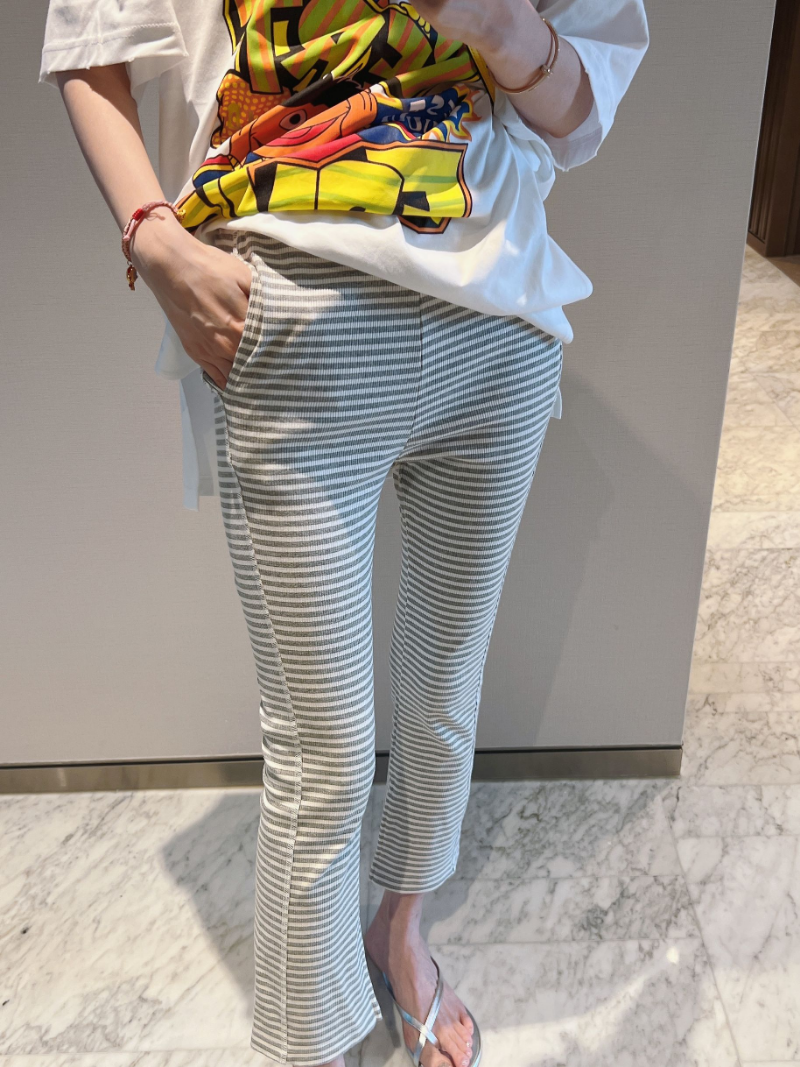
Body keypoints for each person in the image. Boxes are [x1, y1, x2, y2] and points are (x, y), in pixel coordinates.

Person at [38, 2, 649, 1065]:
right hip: (295, 307)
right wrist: (153, 234)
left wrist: (497, 24)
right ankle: (311, 1042)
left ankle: (398, 931)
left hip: (500, 320)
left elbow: (577, 112)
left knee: (444, 685)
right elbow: (87, 41)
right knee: (319, 752)